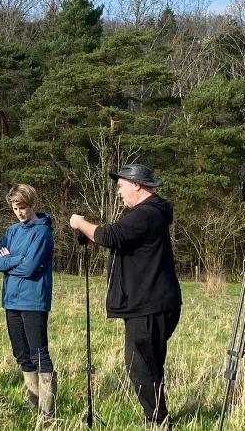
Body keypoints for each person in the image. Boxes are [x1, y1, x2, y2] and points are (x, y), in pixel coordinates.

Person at [69, 164, 182, 427]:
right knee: (148, 363)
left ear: (136, 185)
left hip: (148, 304)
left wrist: (79, 222)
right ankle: (157, 416)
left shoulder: (146, 214)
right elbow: (118, 238)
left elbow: (111, 235)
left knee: (140, 364)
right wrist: (89, 233)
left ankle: (157, 420)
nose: (119, 192)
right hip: (154, 302)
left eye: (120, 187)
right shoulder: (152, 213)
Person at [0, 184, 57, 416]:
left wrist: (11, 262)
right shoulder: (11, 231)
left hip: (34, 301)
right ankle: (33, 403)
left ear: (32, 204)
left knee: (38, 353)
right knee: (21, 353)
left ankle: (47, 411)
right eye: (15, 208)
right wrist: (16, 260)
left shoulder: (43, 232)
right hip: (11, 300)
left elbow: (30, 268)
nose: (19, 212)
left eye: (23, 207)